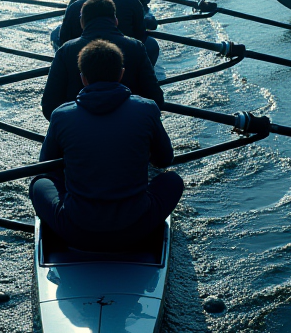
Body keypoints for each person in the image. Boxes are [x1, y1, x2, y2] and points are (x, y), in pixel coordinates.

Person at [30, 39, 183, 251]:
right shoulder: (148, 109)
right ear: (121, 73)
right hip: (136, 227)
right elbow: (164, 160)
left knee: (39, 183)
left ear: (83, 79)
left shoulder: (61, 115)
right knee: (172, 180)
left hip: (77, 230)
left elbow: (48, 167)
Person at [42, 0, 162, 118]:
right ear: (116, 20)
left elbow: (49, 106)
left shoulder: (65, 51)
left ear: (82, 22)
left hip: (80, 129)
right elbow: (156, 99)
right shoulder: (136, 47)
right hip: (130, 126)